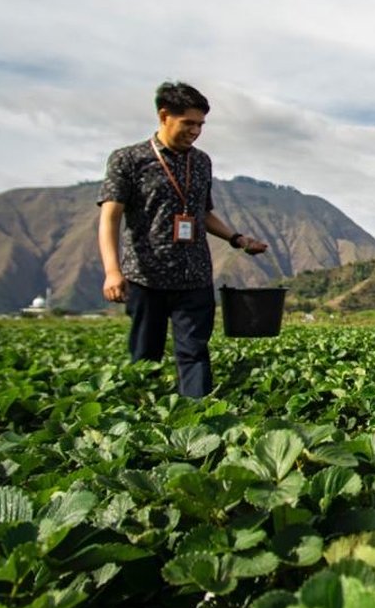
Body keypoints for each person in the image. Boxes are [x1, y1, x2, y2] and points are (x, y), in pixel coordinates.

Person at [97, 81, 270, 397]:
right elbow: (110, 216)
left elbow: (202, 214)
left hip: (194, 275)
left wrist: (238, 239)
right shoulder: (128, 160)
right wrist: (112, 270)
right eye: (188, 123)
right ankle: (139, 421)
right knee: (145, 354)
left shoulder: (201, 162)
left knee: (194, 353)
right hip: (146, 276)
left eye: (200, 124)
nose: (195, 131)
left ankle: (198, 417)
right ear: (164, 116)